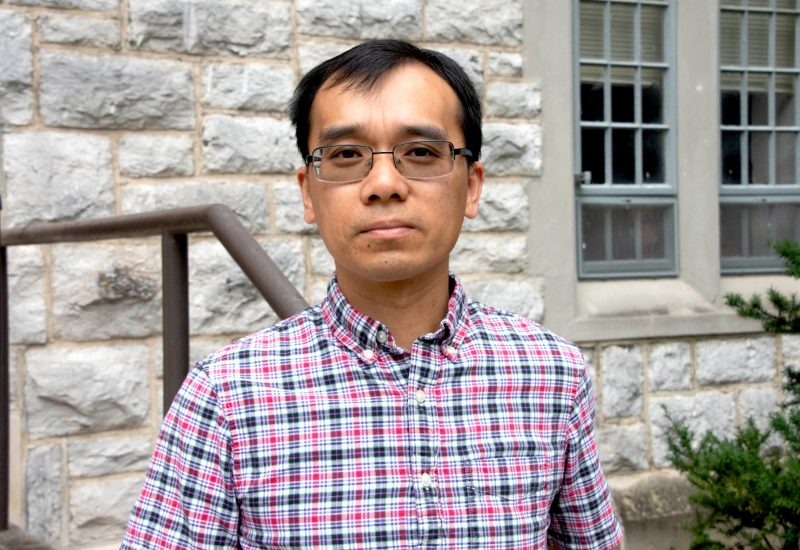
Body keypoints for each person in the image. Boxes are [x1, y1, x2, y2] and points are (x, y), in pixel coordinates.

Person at [121, 39, 623, 549]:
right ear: (307, 191)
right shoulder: (227, 396)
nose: (384, 183)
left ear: (472, 186)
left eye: (421, 152)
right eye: (346, 155)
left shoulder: (551, 373)